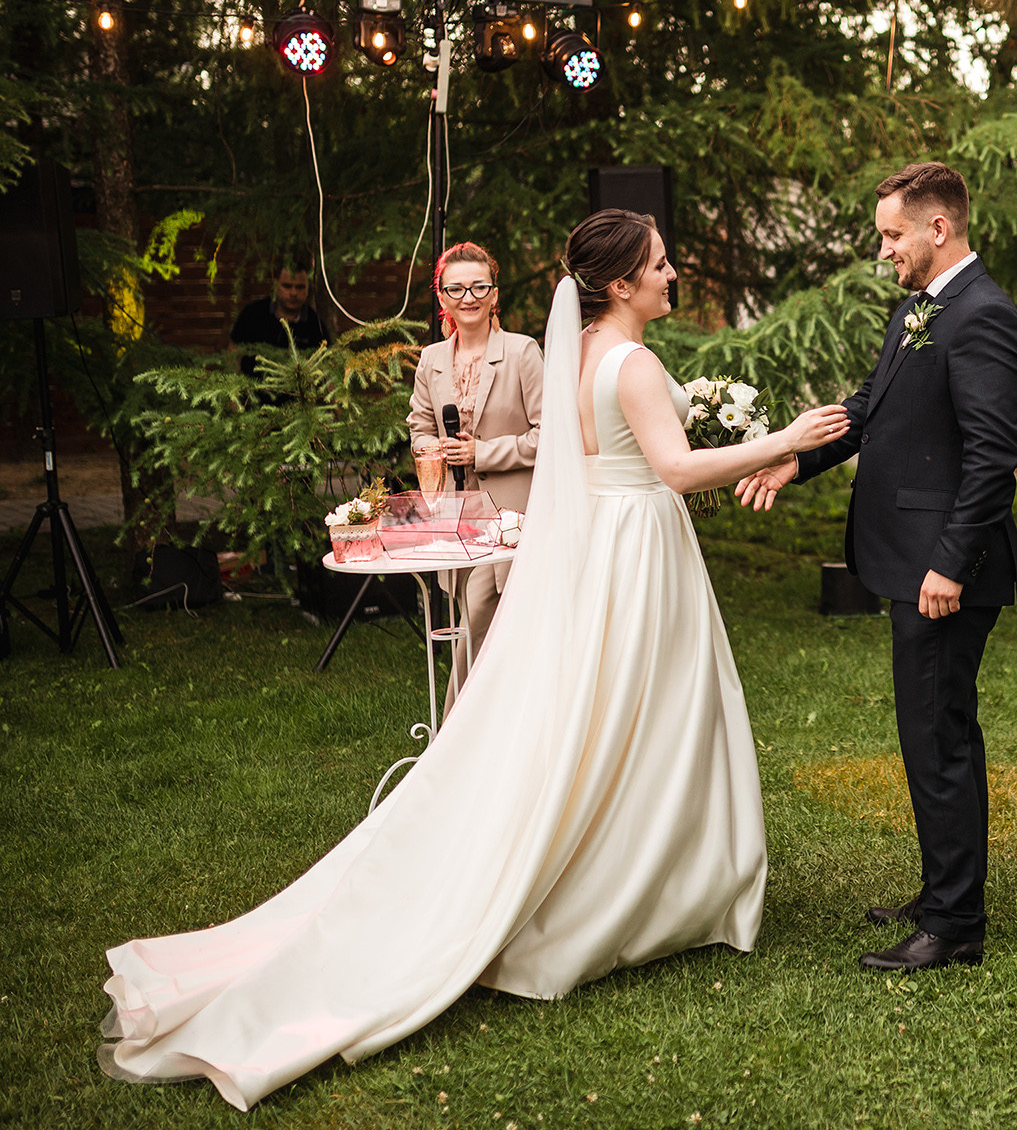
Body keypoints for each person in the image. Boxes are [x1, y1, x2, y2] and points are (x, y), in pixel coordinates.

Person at [96, 209, 851, 1110]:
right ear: (620, 284)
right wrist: (786, 441)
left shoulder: (575, 356)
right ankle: (636, 889)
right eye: (659, 263)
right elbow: (677, 469)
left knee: (614, 714)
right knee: (652, 712)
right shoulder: (634, 362)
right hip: (640, 540)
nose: (672, 271)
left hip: (607, 541)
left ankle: (648, 875)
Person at [737, 162, 1017, 972]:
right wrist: (798, 461)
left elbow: (992, 458)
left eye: (893, 234)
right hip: (914, 564)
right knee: (937, 733)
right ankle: (947, 889)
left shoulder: (983, 317)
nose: (884, 249)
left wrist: (950, 565)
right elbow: (870, 407)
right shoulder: (918, 309)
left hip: (945, 574)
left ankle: (954, 925)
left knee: (937, 737)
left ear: (940, 228)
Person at [408, 242, 542, 676]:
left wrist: (481, 452)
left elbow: (550, 435)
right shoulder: (430, 360)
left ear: (495, 295)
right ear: (442, 297)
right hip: (454, 515)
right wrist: (433, 452)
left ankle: (452, 731)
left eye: (479, 287)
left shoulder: (523, 353)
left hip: (511, 515)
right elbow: (420, 426)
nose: (469, 297)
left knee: (476, 626)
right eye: (457, 288)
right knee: (478, 626)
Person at [229, 263, 329, 377]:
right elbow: (233, 353)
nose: (293, 293)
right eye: (287, 286)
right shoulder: (253, 314)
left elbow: (327, 368)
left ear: (308, 288)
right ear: (276, 285)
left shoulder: (315, 324)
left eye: (300, 287)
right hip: (253, 390)